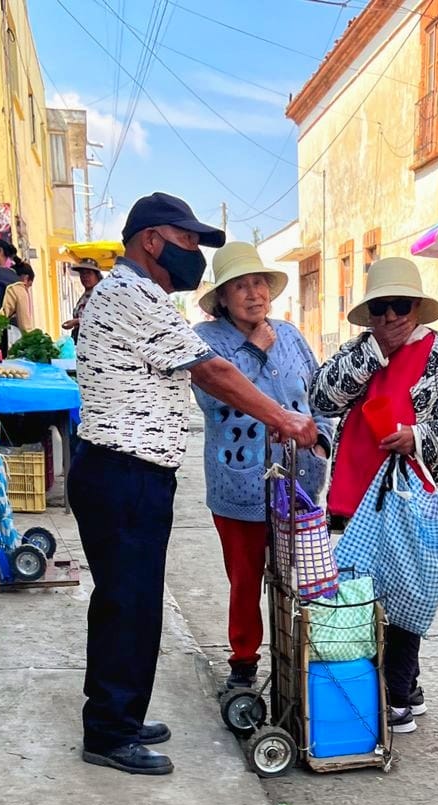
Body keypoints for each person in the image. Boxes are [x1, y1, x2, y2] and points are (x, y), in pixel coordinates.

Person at [70, 193, 317, 776]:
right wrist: (283, 419)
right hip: (122, 471)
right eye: (187, 242)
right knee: (127, 605)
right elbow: (213, 370)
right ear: (152, 240)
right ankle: (108, 731)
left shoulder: (136, 293)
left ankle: (119, 715)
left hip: (129, 473)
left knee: (129, 602)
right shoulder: (132, 294)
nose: (195, 256)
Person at [311, 257, 438, 734]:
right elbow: (321, 399)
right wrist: (371, 354)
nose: (390, 318)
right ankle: (399, 682)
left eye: (400, 306)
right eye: (380, 308)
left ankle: (396, 694)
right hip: (356, 491)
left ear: (419, 308)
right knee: (362, 593)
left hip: (419, 503)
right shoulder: (359, 352)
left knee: (406, 594)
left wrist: (420, 437)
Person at [193, 242, 333, 692]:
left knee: (304, 575)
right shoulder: (207, 339)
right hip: (239, 484)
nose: (253, 294)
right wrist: (252, 349)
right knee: (246, 578)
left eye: (258, 283)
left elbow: (320, 396)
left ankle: (303, 658)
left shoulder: (290, 335)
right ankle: (243, 663)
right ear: (223, 297)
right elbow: (213, 397)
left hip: (299, 480)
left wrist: (324, 438)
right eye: (240, 286)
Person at [62, 258, 104, 344]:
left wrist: (77, 321)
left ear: (97, 276)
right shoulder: (85, 295)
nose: (85, 277)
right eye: (82, 274)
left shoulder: (101, 295)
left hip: (94, 341)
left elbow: (101, 319)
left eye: (89, 273)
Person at [1, 259, 34, 335]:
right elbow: (25, 326)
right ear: (26, 278)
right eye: (29, 286)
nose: (27, 289)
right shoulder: (19, 287)